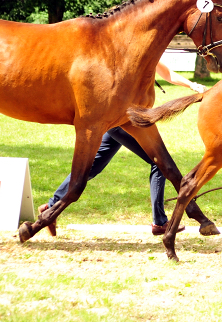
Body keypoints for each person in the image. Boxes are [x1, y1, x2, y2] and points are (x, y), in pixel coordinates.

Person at [38, 60, 207, 236]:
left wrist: (192, 85)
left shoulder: (146, 51)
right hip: (124, 119)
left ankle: (50, 207)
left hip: (119, 119)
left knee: (92, 167)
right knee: (158, 162)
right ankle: (160, 222)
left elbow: (166, 73)